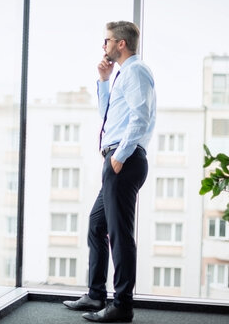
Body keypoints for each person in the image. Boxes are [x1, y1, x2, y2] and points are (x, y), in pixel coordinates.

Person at [63, 21, 156, 323]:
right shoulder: (120, 75)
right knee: (96, 225)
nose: (103, 46)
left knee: (120, 234)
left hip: (124, 160)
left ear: (121, 44)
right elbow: (108, 117)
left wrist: (120, 155)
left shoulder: (135, 72)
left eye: (107, 41)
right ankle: (95, 295)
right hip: (117, 159)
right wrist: (103, 80)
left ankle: (123, 305)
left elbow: (140, 117)